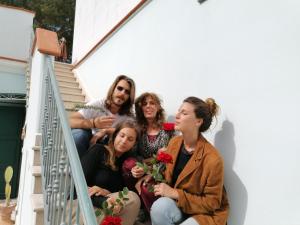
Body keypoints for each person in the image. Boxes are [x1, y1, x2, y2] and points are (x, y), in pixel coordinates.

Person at [150, 97, 229, 225]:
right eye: (179, 111)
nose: (177, 115)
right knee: (160, 207)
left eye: (184, 113)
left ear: (198, 121)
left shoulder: (213, 159)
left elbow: (212, 203)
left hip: (204, 214)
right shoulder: (174, 143)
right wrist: (150, 173)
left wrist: (176, 194)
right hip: (180, 207)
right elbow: (168, 176)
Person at [122, 92, 175, 213]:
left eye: (152, 103)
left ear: (158, 107)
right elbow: (133, 154)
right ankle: (134, 201)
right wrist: (142, 166)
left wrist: (150, 172)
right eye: (144, 104)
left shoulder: (167, 129)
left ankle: (151, 213)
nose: (148, 106)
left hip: (160, 170)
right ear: (141, 108)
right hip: (141, 167)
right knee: (129, 164)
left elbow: (169, 158)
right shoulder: (137, 128)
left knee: (147, 186)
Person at [80, 120, 141, 225]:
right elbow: (78, 186)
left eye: (130, 139)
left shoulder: (127, 163)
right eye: (122, 136)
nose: (124, 141)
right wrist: (103, 200)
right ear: (115, 135)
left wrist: (107, 193)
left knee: (133, 198)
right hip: (85, 205)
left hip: (110, 208)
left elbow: (121, 196)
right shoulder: (98, 150)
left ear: (134, 144)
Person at [70, 75, 136, 158]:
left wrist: (106, 130)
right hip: (87, 139)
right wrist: (93, 123)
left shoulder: (129, 117)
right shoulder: (98, 104)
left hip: (105, 146)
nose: (122, 93)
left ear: (129, 97)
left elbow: (131, 135)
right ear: (113, 89)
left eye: (127, 92)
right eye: (120, 88)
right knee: (80, 135)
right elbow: (69, 121)